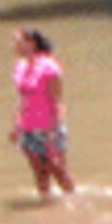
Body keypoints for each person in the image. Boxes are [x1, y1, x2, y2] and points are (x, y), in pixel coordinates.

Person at [7, 27, 75, 198]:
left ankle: (72, 201)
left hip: (48, 126)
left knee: (57, 168)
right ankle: (46, 206)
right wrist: (17, 126)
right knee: (39, 172)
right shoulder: (20, 67)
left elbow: (57, 101)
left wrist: (53, 132)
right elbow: (22, 99)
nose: (15, 46)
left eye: (18, 42)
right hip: (29, 126)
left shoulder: (49, 67)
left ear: (31, 43)